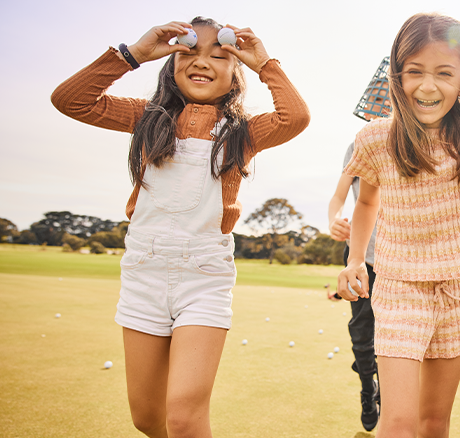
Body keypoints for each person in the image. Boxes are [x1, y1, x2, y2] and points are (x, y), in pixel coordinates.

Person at [51, 18, 309, 437]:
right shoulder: (145, 117)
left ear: (235, 72)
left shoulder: (242, 133)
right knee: (148, 419)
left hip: (204, 277)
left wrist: (265, 64)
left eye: (218, 55)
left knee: (185, 418)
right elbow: (70, 100)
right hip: (144, 275)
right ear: (170, 64)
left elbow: (294, 117)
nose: (201, 61)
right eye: (188, 52)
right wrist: (132, 53)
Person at [337, 13, 460, 438]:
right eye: (415, 72)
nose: (427, 86)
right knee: (400, 423)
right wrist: (355, 260)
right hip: (398, 288)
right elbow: (367, 201)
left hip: (455, 290)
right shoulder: (375, 138)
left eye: (444, 73)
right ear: (397, 76)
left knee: (433, 423)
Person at [327, 57, 391, 432]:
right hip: (363, 257)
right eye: (378, 100)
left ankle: (389, 391)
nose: (382, 107)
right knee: (362, 335)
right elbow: (338, 198)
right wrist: (333, 219)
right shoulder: (358, 145)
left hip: (402, 261)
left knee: (394, 336)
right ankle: (368, 385)